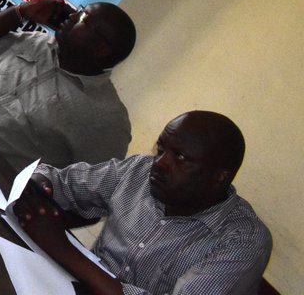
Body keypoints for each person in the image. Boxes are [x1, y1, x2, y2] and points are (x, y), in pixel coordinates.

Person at [14, 110, 272, 295]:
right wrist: (42, 185)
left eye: (180, 157)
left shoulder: (244, 239)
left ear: (219, 177)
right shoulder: (139, 170)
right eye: (161, 150)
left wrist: (62, 249)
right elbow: (59, 180)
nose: (159, 164)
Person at [0, 0, 135, 170]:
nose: (73, 15)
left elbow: (89, 190)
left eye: (83, 19)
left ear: (101, 48)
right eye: (81, 10)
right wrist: (20, 12)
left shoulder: (108, 120)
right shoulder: (31, 40)